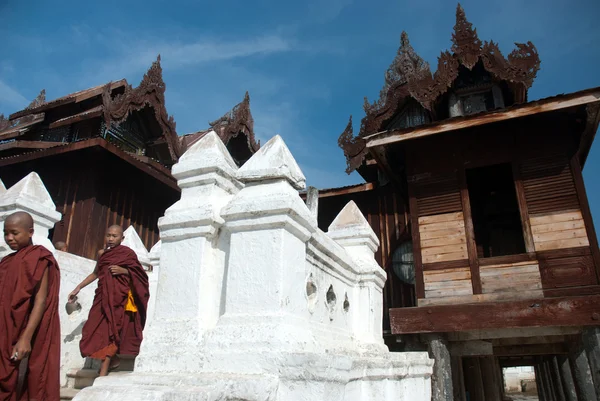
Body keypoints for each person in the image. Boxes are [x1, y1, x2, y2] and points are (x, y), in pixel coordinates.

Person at [68, 225, 149, 377]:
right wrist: (78, 287)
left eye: (115, 236)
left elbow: (141, 275)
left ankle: (103, 371)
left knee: (112, 331)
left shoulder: (128, 254)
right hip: (102, 298)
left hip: (119, 299)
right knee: (93, 328)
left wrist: (124, 270)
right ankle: (113, 360)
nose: (111, 239)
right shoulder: (102, 254)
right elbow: (96, 273)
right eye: (108, 235)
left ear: (122, 238)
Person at [0, 211, 60, 400]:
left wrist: (25, 338)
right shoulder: (6, 261)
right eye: (5, 233)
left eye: (15, 233)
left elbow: (41, 301)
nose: (9, 238)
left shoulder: (40, 257)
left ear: (31, 232)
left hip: (16, 329)